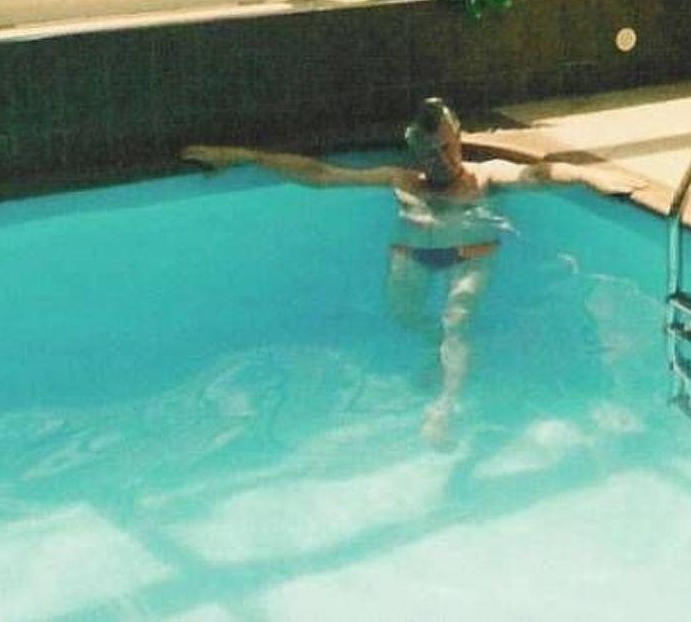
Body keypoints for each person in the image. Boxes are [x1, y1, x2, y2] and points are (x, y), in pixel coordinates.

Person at [183, 98, 602, 442]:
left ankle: (444, 409)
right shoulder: (402, 181)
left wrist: (587, 176)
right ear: (415, 153)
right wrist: (244, 156)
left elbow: (536, 174)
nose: (442, 160)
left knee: (457, 318)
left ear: (458, 137)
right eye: (430, 153)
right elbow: (322, 174)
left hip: (472, 250)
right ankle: (439, 350)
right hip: (414, 252)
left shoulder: (484, 176)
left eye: (447, 147)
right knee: (404, 313)